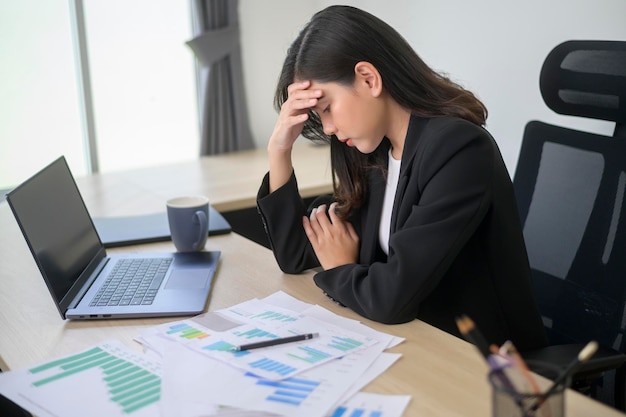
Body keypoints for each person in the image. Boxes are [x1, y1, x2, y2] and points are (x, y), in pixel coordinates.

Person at [256, 5, 547, 351]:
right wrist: (279, 150)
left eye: (328, 108)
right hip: (413, 344)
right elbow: (296, 254)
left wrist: (340, 269)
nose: (329, 129)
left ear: (368, 78)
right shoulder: (373, 150)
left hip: (484, 363)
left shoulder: (459, 149)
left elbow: (393, 297)